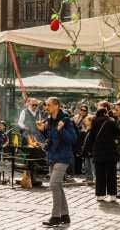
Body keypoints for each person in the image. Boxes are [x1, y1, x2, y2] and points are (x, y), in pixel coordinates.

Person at [37, 97, 76, 227]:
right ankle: (65, 215)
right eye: (46, 105)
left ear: (56, 106)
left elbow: (73, 139)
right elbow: (49, 139)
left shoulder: (65, 120)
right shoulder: (49, 120)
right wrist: (42, 131)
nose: (46, 107)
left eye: (48, 105)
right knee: (58, 186)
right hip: (52, 156)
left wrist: (62, 130)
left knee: (53, 184)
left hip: (63, 157)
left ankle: (55, 217)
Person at [84, 106, 119, 202]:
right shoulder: (111, 122)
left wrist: (89, 149)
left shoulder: (94, 122)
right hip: (110, 152)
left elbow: (90, 138)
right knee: (111, 174)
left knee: (100, 174)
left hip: (98, 152)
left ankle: (100, 194)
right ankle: (113, 195)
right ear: (105, 113)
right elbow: (118, 133)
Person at [71, 104, 91, 181]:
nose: (82, 111)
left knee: (80, 154)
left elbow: (87, 127)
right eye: (81, 110)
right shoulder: (76, 117)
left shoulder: (88, 117)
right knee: (76, 153)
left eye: (84, 110)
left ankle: (79, 170)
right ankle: (76, 170)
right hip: (76, 137)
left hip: (83, 137)